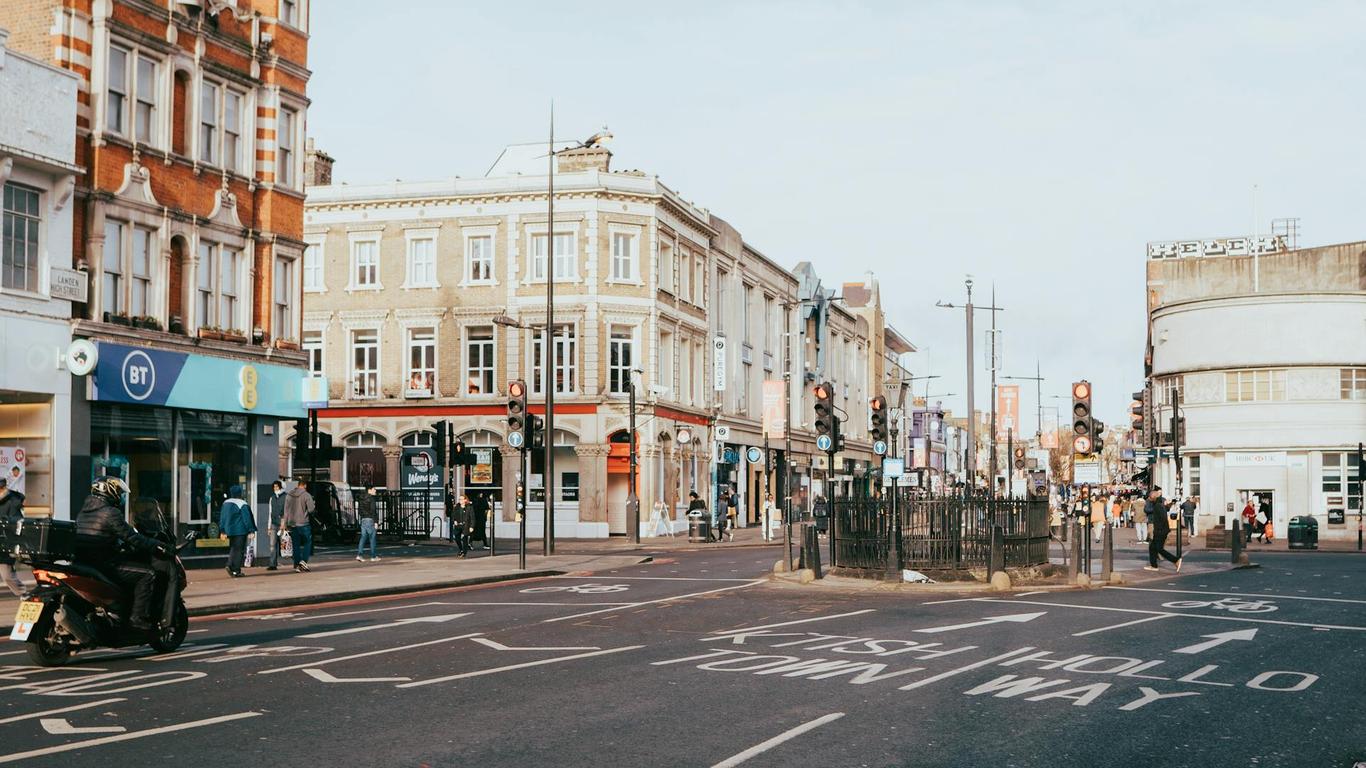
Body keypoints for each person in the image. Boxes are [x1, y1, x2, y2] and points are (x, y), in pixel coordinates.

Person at [74, 477, 166, 629]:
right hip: (105, 564)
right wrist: (157, 545)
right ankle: (138, 618)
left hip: (86, 562)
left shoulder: (83, 512)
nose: (118, 495)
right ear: (108, 491)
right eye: (117, 491)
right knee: (148, 574)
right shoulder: (110, 513)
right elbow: (133, 538)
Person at [218, 485, 255, 577]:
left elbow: (222, 518)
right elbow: (247, 518)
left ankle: (229, 564)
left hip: (229, 530)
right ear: (240, 493)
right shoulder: (242, 504)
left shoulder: (225, 503)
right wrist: (251, 530)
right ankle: (235, 570)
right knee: (239, 550)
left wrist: (222, 530)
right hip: (240, 530)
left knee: (234, 548)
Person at [0, 477, 28, 596]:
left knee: (7, 576)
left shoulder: (13, 501)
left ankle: (24, 594)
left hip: (5, 543)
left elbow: (17, 522)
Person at [1143, 486, 1181, 572]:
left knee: (1159, 548)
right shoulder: (1160, 504)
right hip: (1161, 530)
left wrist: (1159, 530)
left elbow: (1162, 519)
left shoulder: (1157, 506)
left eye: (1151, 497)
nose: (1150, 499)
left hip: (1160, 530)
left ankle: (1175, 560)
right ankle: (1154, 565)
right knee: (1153, 547)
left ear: (1153, 497)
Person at [280, 477, 314, 572]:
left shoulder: (289, 495)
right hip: (303, 523)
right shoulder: (307, 495)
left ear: (298, 485)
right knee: (308, 542)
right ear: (305, 485)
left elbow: (285, 511)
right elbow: (311, 509)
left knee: (296, 544)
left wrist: (285, 524)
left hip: (292, 524)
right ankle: (303, 562)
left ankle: (296, 564)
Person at [356, 485, 379, 562]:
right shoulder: (371, 498)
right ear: (369, 490)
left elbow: (359, 510)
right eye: (374, 489)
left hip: (363, 519)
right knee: (372, 538)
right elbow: (373, 511)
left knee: (363, 538)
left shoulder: (361, 498)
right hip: (370, 520)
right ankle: (373, 556)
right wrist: (376, 521)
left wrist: (363, 516)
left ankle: (359, 555)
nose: (375, 490)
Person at [268, 480, 286, 570]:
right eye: (274, 487)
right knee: (272, 544)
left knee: (285, 544)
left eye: (277, 487)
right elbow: (270, 512)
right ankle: (272, 564)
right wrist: (269, 527)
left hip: (283, 524)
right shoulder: (272, 498)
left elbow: (288, 511)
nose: (275, 489)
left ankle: (296, 561)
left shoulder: (286, 497)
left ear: (281, 487)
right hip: (274, 523)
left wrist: (285, 523)